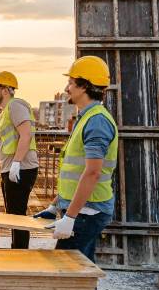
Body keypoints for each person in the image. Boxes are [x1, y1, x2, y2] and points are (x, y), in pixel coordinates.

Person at [34, 55, 118, 264]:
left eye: (71, 83)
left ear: (84, 86)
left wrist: (69, 217)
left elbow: (92, 172)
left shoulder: (96, 121)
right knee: (81, 271)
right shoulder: (87, 117)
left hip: (87, 212)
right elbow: (78, 171)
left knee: (65, 270)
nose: (66, 88)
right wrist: (56, 205)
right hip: (83, 209)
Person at [0, 71, 39, 249]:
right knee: (12, 214)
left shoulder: (16, 106)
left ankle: (20, 253)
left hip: (22, 168)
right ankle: (17, 250)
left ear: (6, 90)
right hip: (11, 169)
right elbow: (0, 148)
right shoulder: (4, 113)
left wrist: (17, 163)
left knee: (17, 215)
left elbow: (26, 135)